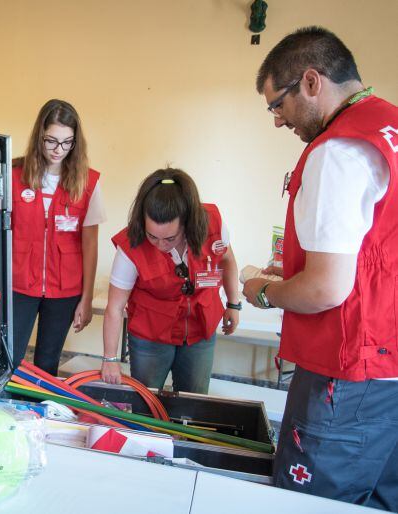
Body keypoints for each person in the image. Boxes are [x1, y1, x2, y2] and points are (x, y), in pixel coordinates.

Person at [243, 27, 398, 510]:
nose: (276, 120)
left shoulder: (338, 150)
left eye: (277, 104)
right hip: (388, 365)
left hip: (347, 372)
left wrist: (263, 289)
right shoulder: (389, 129)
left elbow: (327, 288)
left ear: (311, 81)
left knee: (311, 500)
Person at [101, 168, 240, 394]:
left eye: (169, 238)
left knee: (193, 402)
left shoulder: (212, 224)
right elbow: (114, 308)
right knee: (147, 403)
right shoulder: (131, 244)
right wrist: (110, 358)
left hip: (200, 328)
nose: (160, 245)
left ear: (187, 223)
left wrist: (233, 304)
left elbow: (227, 260)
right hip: (151, 335)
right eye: (152, 236)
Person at [11, 99, 106, 376]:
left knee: (48, 362)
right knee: (12, 357)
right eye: (51, 141)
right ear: (39, 136)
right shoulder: (15, 175)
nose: (58, 150)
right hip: (20, 285)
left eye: (67, 143)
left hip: (64, 289)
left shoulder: (88, 183)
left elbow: (90, 244)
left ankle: (42, 413)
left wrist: (86, 299)